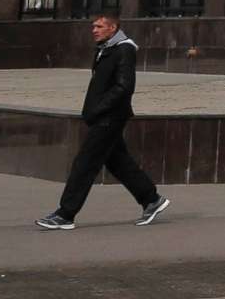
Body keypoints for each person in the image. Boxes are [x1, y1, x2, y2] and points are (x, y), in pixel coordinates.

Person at [34, 12, 170, 230]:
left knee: (85, 164)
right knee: (118, 162)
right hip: (104, 116)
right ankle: (151, 200)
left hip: (110, 117)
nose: (94, 30)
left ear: (113, 28)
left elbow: (124, 86)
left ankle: (65, 214)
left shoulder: (124, 50)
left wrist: (98, 109)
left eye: (99, 26)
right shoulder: (105, 49)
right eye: (93, 26)